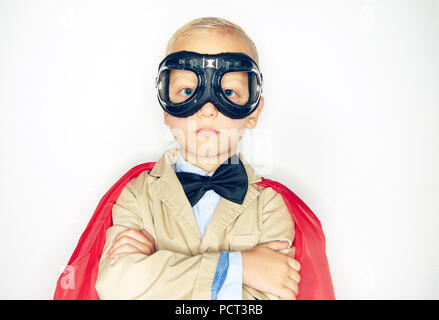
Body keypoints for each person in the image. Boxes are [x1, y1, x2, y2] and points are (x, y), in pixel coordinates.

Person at [54, 16, 335, 300]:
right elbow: (118, 286)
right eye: (188, 91)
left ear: (253, 111)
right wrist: (240, 267)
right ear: (166, 109)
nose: (208, 108)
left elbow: (270, 297)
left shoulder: (271, 206)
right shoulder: (138, 194)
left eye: (228, 92)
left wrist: (157, 274)